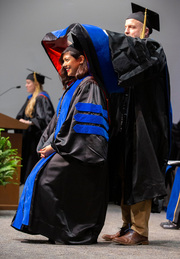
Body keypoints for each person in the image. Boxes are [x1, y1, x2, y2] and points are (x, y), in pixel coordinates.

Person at [11, 44, 109, 245]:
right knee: (39, 175)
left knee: (47, 179)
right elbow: (57, 121)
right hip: (67, 146)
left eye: (67, 60)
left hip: (81, 151)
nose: (63, 65)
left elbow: (83, 126)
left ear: (81, 59)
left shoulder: (89, 85)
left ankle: (68, 230)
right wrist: (47, 143)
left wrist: (56, 146)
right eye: (62, 61)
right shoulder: (74, 86)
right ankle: (54, 229)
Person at [102, 3, 171, 245]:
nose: (127, 31)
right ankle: (126, 226)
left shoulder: (153, 50)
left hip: (145, 124)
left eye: (132, 27)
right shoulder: (128, 53)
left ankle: (140, 231)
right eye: (125, 27)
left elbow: (138, 73)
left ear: (146, 31)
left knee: (139, 175)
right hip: (126, 122)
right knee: (124, 173)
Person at [16, 71, 54, 184]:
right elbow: (20, 116)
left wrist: (31, 122)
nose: (26, 85)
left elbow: (47, 120)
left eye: (28, 83)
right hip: (28, 139)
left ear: (36, 84)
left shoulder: (42, 98)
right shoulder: (30, 98)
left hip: (36, 141)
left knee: (32, 168)